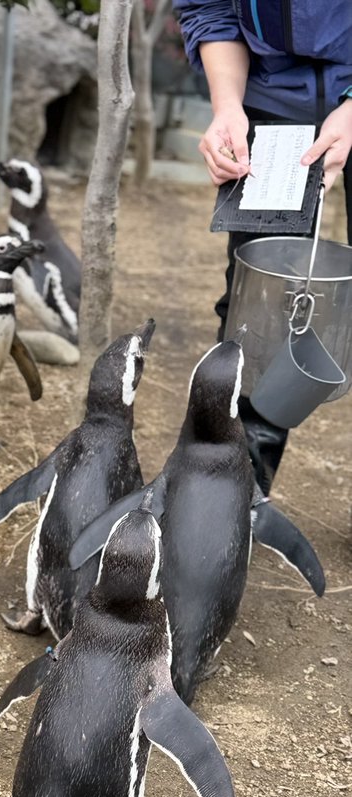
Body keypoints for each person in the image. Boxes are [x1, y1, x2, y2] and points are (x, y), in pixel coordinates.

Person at [172, 0, 352, 493]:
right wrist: (228, 107)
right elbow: (209, 7)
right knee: (256, 312)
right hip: (273, 103)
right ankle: (229, 494)